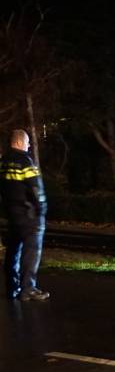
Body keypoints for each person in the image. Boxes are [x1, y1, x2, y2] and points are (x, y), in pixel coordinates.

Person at [0, 129, 49, 301]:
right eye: (27, 142)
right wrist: (42, 208)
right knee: (31, 251)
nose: (29, 146)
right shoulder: (26, 161)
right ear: (20, 142)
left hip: (12, 216)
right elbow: (36, 188)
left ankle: (12, 286)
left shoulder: (3, 162)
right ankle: (28, 288)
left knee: (13, 251)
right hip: (29, 216)